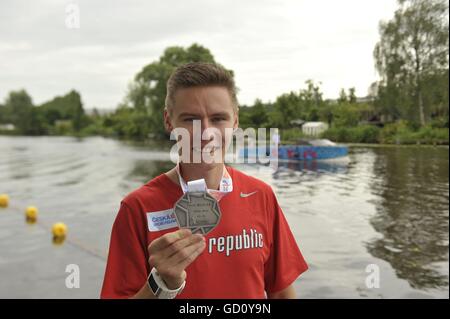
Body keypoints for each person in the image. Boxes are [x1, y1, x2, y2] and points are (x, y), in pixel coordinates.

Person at [100, 62, 308, 299]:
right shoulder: (137, 208)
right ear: (169, 121)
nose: (206, 132)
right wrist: (161, 284)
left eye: (219, 118)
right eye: (190, 119)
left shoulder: (261, 196)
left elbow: (281, 294)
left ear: (235, 122)